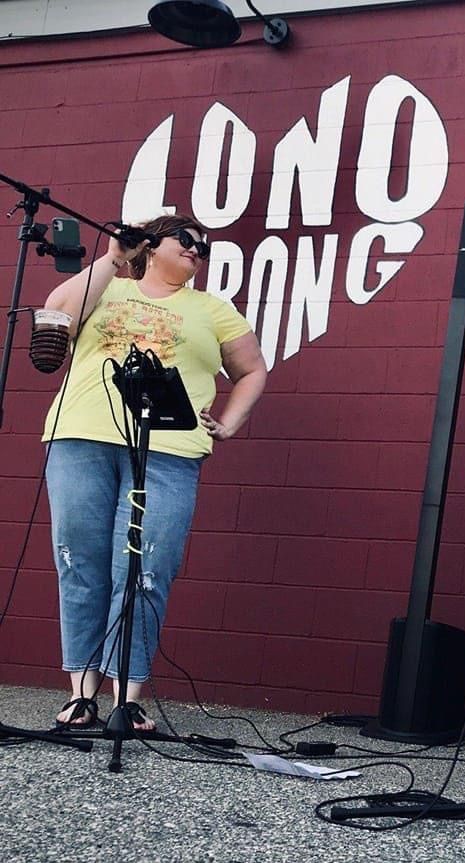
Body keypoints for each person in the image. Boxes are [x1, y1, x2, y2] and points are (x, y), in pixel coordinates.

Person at [42, 214, 267, 732]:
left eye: (203, 246)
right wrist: (116, 255)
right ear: (152, 244)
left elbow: (252, 369)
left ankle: (129, 695)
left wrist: (229, 423)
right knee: (79, 562)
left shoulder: (211, 308)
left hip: (167, 448)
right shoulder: (109, 285)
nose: (196, 250)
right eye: (185, 240)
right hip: (81, 437)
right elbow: (58, 312)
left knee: (145, 569)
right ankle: (82, 693)